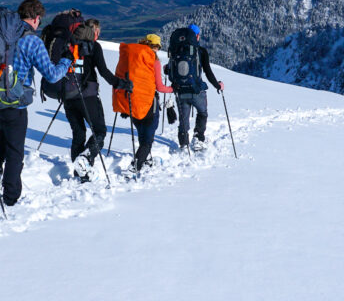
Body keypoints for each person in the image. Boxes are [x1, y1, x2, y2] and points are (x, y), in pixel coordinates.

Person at [0, 0, 71, 206]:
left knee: (4, 132)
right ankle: (11, 196)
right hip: (15, 101)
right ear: (36, 18)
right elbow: (51, 75)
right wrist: (66, 61)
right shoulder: (32, 41)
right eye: (39, 20)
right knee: (15, 150)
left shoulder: (2, 33)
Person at [64, 18, 131, 181]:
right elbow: (104, 72)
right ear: (95, 32)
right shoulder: (94, 46)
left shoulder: (68, 44)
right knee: (100, 131)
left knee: (78, 134)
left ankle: (80, 173)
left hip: (67, 95)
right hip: (88, 96)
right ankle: (86, 158)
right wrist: (121, 84)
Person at [113, 34, 172, 172]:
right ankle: (136, 166)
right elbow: (159, 87)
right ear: (155, 47)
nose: (157, 50)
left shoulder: (131, 58)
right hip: (149, 103)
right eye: (157, 47)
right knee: (148, 138)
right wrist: (172, 88)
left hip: (131, 101)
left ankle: (145, 159)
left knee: (141, 132)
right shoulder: (154, 61)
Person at [168, 24, 224, 151]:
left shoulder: (176, 50)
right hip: (197, 90)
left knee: (184, 119)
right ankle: (198, 138)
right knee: (202, 113)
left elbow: (170, 71)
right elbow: (208, 72)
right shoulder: (201, 51)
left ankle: (183, 144)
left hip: (180, 90)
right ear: (196, 36)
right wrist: (217, 85)